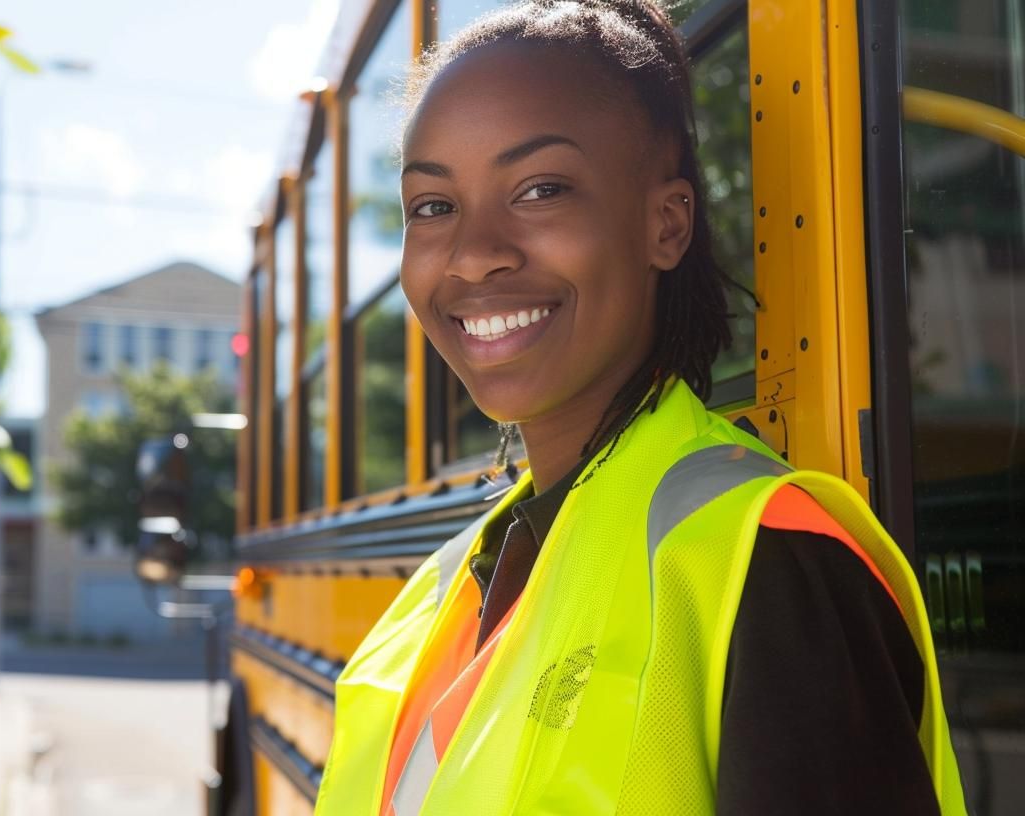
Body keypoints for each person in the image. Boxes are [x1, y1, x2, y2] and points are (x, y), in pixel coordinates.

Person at [312, 2, 967, 814]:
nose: (474, 254)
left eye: (540, 189)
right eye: (432, 207)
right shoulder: (437, 596)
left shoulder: (763, 567)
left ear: (666, 222)